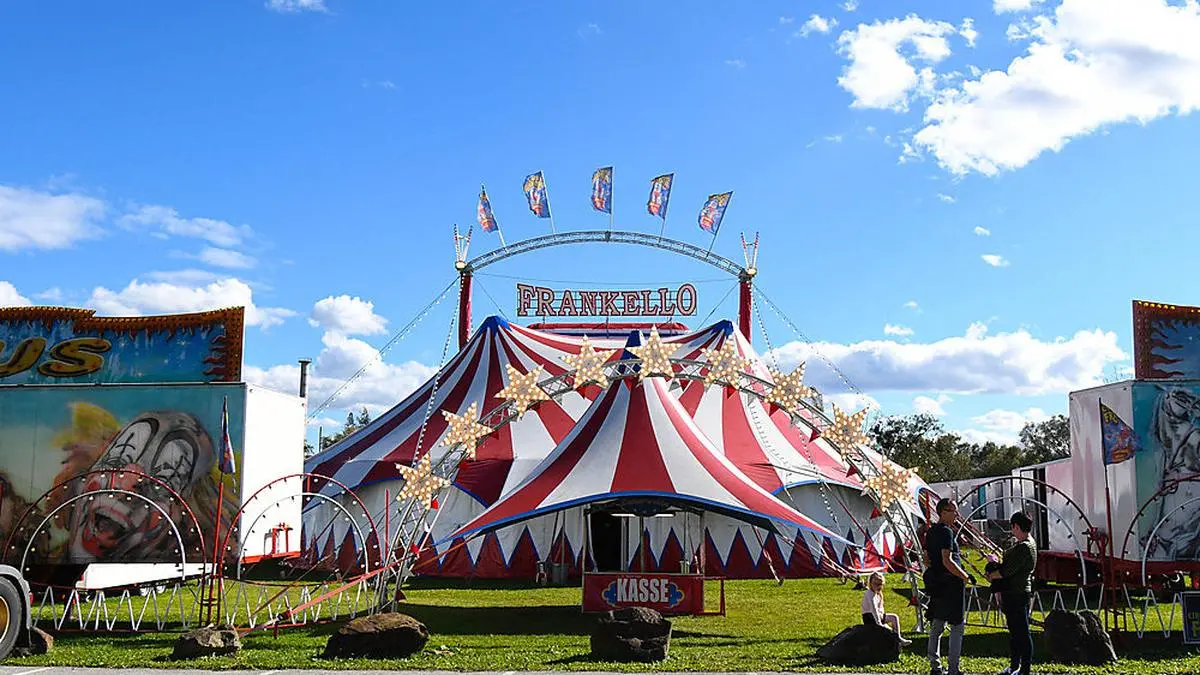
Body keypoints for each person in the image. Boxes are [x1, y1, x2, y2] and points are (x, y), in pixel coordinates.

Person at [924, 498, 973, 675]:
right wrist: (964, 576)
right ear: (942, 512)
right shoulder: (946, 532)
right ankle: (953, 669)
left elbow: (926, 559)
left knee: (937, 625)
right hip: (951, 585)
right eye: (953, 511)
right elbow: (947, 560)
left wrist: (935, 570)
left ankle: (935, 666)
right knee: (957, 626)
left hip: (937, 584)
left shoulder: (930, 532)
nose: (956, 515)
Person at [988, 511, 1037, 675]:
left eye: (1012, 527)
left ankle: (1025, 668)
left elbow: (1007, 571)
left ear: (1016, 526)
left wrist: (992, 573)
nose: (1012, 531)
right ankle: (1015, 666)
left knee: (1022, 632)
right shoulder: (1028, 543)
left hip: (1017, 593)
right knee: (1015, 633)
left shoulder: (1024, 547)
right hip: (1016, 592)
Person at [861, 572, 912, 646]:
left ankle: (898, 638)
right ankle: (896, 641)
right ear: (870, 583)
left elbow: (880, 608)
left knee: (894, 617)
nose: (877, 587)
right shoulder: (869, 594)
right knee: (887, 630)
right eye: (875, 584)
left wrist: (883, 617)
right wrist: (879, 623)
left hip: (878, 615)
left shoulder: (878, 593)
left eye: (880, 584)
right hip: (870, 617)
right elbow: (873, 609)